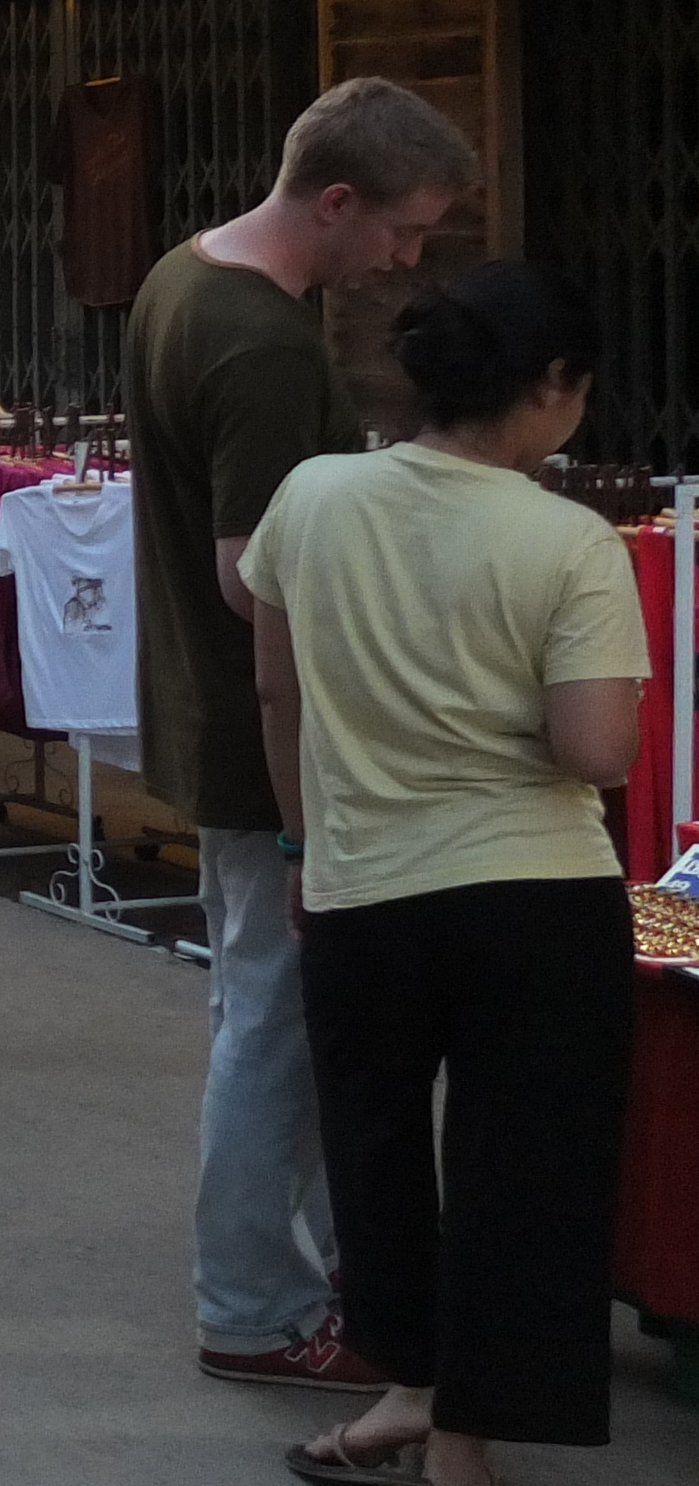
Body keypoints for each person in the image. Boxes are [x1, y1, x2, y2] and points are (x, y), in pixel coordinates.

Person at [249, 263, 645, 1486]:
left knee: (376, 1156)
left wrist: (304, 842)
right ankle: (465, 1441)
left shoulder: (310, 497)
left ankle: (406, 1384)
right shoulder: (565, 539)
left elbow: (277, 691)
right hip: (535, 897)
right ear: (549, 390)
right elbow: (594, 752)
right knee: (520, 1170)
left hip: (363, 885)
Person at [130, 77, 475, 1391]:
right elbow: (254, 576)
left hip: (216, 714)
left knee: (277, 1011)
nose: (407, 260)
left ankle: (335, 1268)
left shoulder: (184, 276)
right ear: (336, 203)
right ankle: (254, 1307)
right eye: (400, 231)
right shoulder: (262, 343)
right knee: (274, 1021)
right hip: (262, 735)